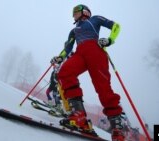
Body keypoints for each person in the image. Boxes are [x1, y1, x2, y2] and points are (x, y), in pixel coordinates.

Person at [50, 4, 124, 140]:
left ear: (85, 12)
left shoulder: (95, 19)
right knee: (64, 72)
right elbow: (67, 47)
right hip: (80, 54)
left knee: (103, 89)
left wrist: (110, 40)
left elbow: (116, 26)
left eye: (75, 12)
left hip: (95, 51)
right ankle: (79, 116)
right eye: (73, 13)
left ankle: (118, 128)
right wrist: (60, 57)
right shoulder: (74, 31)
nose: (73, 15)